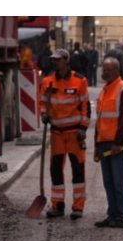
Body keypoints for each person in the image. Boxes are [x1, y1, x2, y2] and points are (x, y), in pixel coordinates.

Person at [38, 48, 91, 220]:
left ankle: (78, 207)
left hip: (75, 133)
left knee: (77, 170)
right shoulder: (47, 82)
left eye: (59, 59)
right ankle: (57, 205)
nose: (55, 62)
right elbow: (42, 103)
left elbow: (86, 107)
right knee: (55, 169)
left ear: (66, 61)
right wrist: (43, 113)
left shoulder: (79, 81)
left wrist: (83, 127)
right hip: (56, 134)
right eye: (53, 59)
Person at [93, 57, 123, 228]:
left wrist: (118, 142)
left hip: (117, 143)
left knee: (118, 181)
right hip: (104, 142)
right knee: (109, 182)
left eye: (108, 70)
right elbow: (100, 120)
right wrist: (97, 144)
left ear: (116, 71)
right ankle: (112, 215)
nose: (104, 73)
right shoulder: (105, 90)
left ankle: (121, 217)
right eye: (103, 69)